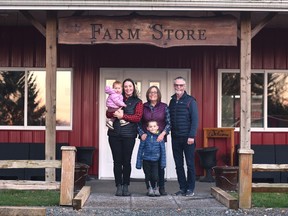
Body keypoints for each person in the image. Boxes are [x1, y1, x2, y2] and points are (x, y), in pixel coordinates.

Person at [106, 78, 143, 196]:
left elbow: (137, 117)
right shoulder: (116, 97)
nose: (128, 88)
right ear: (122, 88)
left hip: (129, 135)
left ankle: (126, 186)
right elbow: (108, 112)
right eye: (125, 86)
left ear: (134, 87)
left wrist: (123, 116)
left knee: (126, 161)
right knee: (117, 161)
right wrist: (114, 114)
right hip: (114, 134)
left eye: (130, 86)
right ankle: (118, 186)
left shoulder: (138, 101)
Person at [137, 85, 170, 195]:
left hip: (159, 139)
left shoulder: (164, 106)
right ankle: (149, 188)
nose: (153, 94)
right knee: (148, 166)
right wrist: (141, 133)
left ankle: (161, 187)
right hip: (147, 139)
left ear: (158, 94)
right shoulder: (143, 106)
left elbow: (169, 123)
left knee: (160, 164)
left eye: (155, 92)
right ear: (147, 94)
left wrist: (163, 133)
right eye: (150, 92)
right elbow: (138, 122)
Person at [169, 76, 199, 197]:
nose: (179, 87)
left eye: (181, 85)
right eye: (176, 85)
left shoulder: (191, 101)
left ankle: (190, 189)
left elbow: (195, 120)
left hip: (188, 138)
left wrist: (191, 136)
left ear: (185, 86)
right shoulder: (172, 101)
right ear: (174, 86)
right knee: (178, 164)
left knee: (190, 164)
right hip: (175, 138)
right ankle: (182, 188)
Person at [136, 120, 166, 197]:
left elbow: (163, 151)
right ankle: (149, 188)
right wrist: (138, 163)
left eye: (154, 126)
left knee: (155, 175)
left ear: (157, 127)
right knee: (148, 175)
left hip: (155, 160)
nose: (152, 128)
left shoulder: (159, 138)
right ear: (147, 128)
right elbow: (140, 150)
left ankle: (156, 188)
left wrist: (163, 162)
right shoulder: (145, 137)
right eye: (150, 126)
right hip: (146, 160)